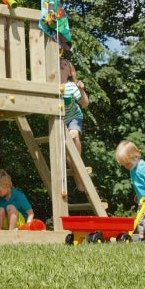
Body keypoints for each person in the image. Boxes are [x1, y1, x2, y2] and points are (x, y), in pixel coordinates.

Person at [115, 140, 145, 242]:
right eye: (123, 165)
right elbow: (140, 184)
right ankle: (141, 238)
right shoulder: (133, 169)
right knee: (141, 220)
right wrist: (138, 194)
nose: (126, 167)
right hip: (144, 200)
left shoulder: (144, 167)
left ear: (136, 156)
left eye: (127, 163)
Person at [60, 58, 89, 191]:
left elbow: (85, 104)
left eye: (65, 64)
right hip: (61, 120)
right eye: (59, 62)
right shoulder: (51, 85)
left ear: (70, 72)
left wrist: (82, 90)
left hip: (73, 117)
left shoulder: (71, 86)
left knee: (74, 135)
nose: (61, 64)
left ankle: (78, 163)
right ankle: (79, 180)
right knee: (68, 155)